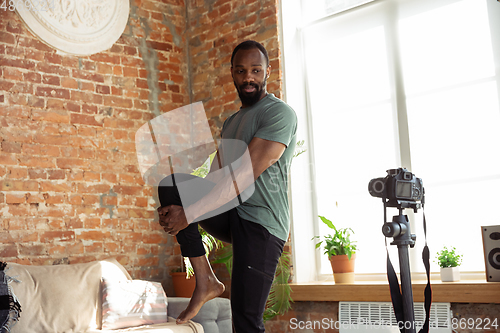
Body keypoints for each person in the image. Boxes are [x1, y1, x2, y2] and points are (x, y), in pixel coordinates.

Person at [157, 40, 297, 332]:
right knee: (172, 187)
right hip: (233, 213)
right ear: (232, 73)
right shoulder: (232, 122)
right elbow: (217, 177)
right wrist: (182, 208)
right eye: (242, 71)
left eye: (256, 71)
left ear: (267, 71)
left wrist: (190, 214)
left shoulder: (279, 113)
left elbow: (245, 174)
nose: (249, 77)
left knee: (245, 321)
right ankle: (206, 280)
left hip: (262, 223)